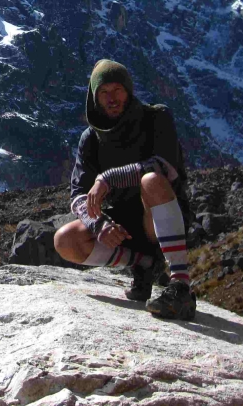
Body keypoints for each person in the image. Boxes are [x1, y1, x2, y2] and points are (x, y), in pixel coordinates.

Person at [53, 59, 196, 320]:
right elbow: (78, 196)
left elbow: (164, 167)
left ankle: (181, 285)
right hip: (125, 225)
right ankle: (143, 264)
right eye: (104, 92)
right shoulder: (91, 139)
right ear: (94, 98)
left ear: (129, 91)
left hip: (161, 215)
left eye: (117, 89)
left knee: (150, 181)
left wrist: (108, 178)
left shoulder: (156, 118)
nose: (112, 98)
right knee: (65, 240)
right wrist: (99, 224)